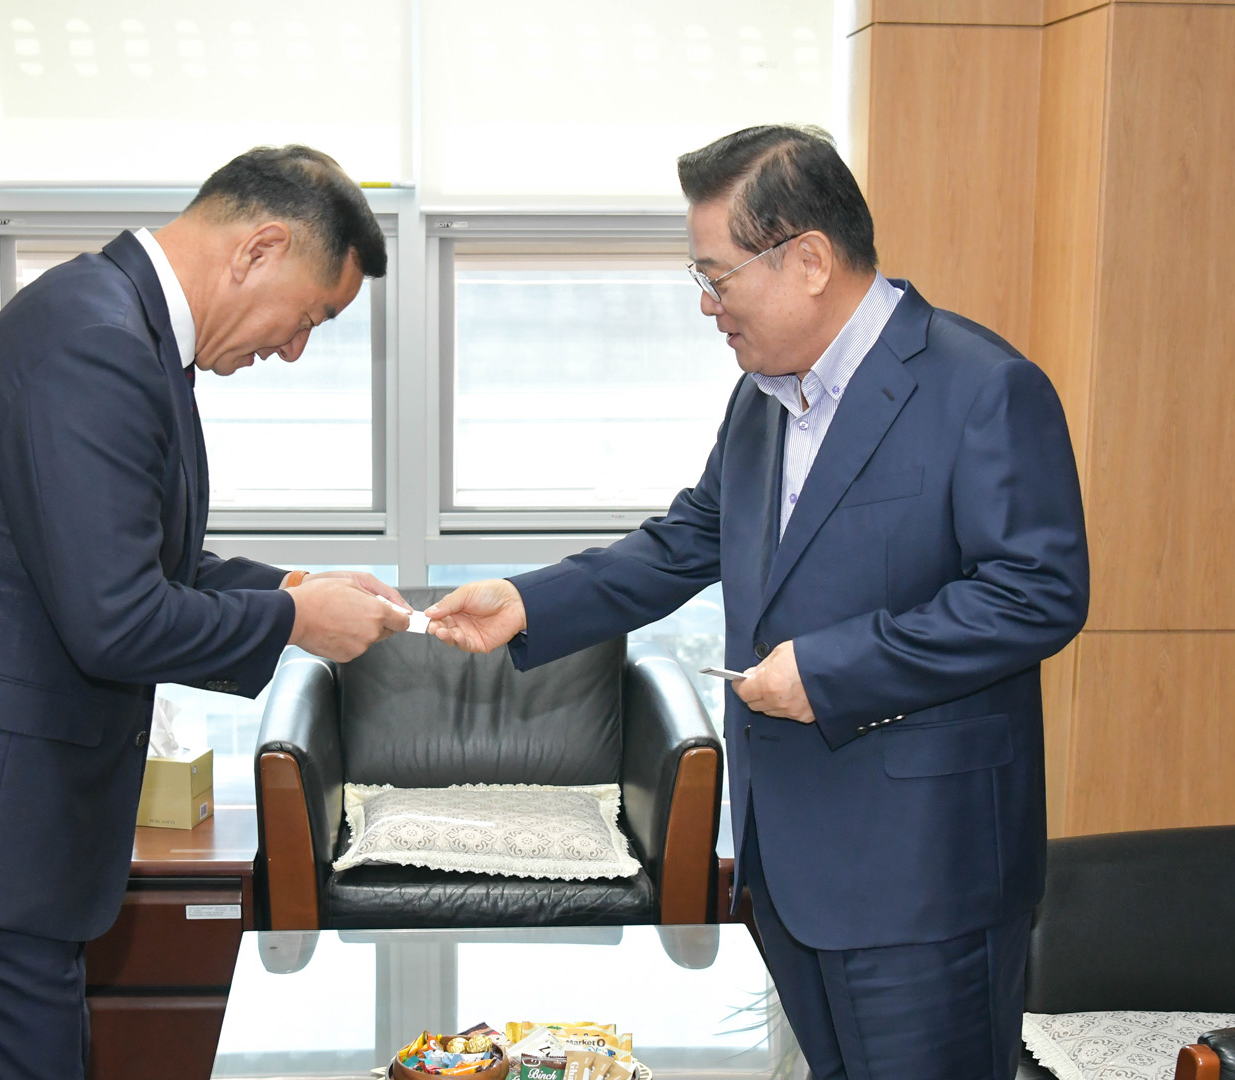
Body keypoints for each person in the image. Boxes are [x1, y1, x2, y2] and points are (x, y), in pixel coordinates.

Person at [426, 126, 1089, 1080]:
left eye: (718, 276)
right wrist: (527, 604)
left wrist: (830, 671)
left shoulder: (982, 389)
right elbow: (685, 540)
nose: (707, 305)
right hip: (788, 866)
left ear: (808, 260)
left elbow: (1038, 593)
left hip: (924, 880)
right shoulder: (764, 397)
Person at [0, 145, 410, 1079]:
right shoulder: (98, 344)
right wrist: (296, 624)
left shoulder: (120, 329)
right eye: (311, 318)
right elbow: (117, 620)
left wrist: (293, 588)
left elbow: (143, 562)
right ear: (260, 248)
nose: (294, 349)